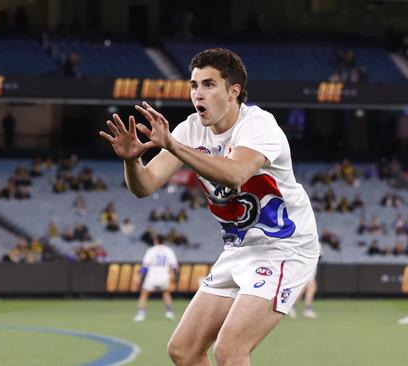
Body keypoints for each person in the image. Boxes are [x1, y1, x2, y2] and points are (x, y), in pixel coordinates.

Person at [99, 48, 320, 365]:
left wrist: (173, 145)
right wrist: (133, 161)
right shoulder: (189, 130)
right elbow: (144, 186)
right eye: (193, 85)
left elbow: (235, 173)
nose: (197, 94)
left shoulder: (258, 125)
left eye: (208, 85)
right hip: (239, 248)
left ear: (234, 92)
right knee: (183, 350)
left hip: (285, 247)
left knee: (229, 351)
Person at [134, 235, 179, 322]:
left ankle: (141, 314)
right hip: (164, 276)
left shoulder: (151, 250)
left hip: (152, 276)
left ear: (156, 240)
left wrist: (139, 276)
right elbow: (175, 266)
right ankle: (169, 313)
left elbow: (145, 266)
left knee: (144, 294)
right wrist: (176, 276)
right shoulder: (169, 250)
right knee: (166, 293)